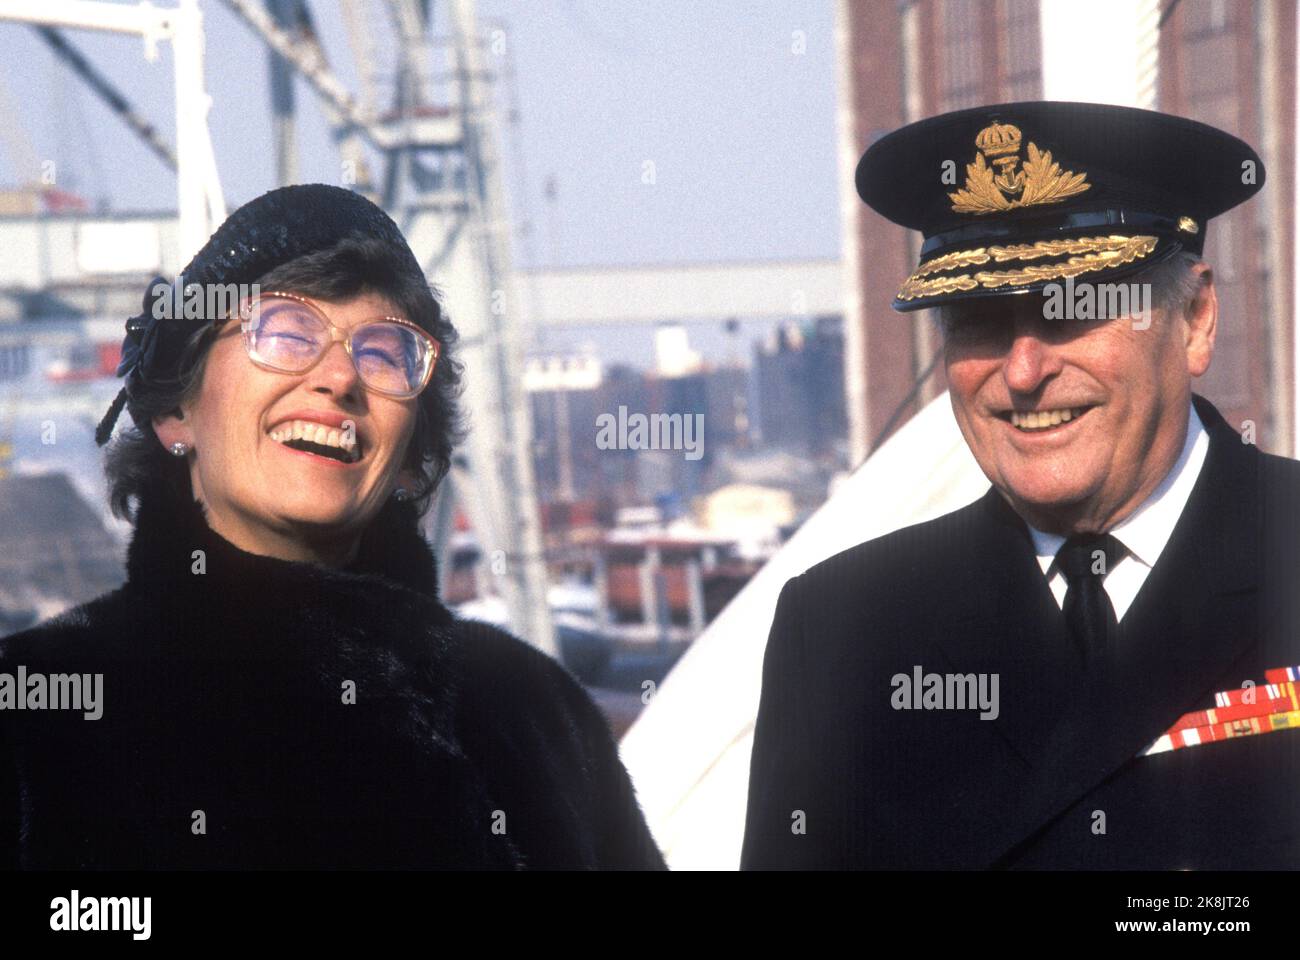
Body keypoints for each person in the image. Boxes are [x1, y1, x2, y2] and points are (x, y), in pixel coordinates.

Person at [0, 183, 665, 870]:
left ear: (412, 456)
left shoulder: (533, 710)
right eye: (286, 334)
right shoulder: (34, 720)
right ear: (176, 413)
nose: (340, 377)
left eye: (385, 354)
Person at [741, 101, 1300, 869]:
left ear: (1196, 318)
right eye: (978, 319)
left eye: (1070, 310)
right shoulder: (845, 634)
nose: (1024, 372)